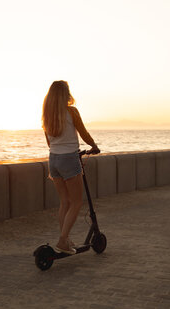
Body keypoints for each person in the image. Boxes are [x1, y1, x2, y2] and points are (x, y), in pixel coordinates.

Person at [42, 80, 100, 255]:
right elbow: (83, 132)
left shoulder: (47, 116)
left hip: (53, 160)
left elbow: (48, 142)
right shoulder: (72, 112)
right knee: (75, 202)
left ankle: (65, 239)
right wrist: (94, 146)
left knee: (64, 202)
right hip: (69, 159)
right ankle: (62, 240)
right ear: (65, 94)